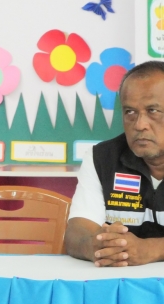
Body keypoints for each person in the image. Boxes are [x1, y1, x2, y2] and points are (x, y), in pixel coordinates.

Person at [65, 61, 164, 266]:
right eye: (130, 112)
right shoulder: (101, 158)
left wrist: (152, 249)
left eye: (153, 111)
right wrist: (97, 246)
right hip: (118, 281)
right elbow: (77, 232)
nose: (140, 125)